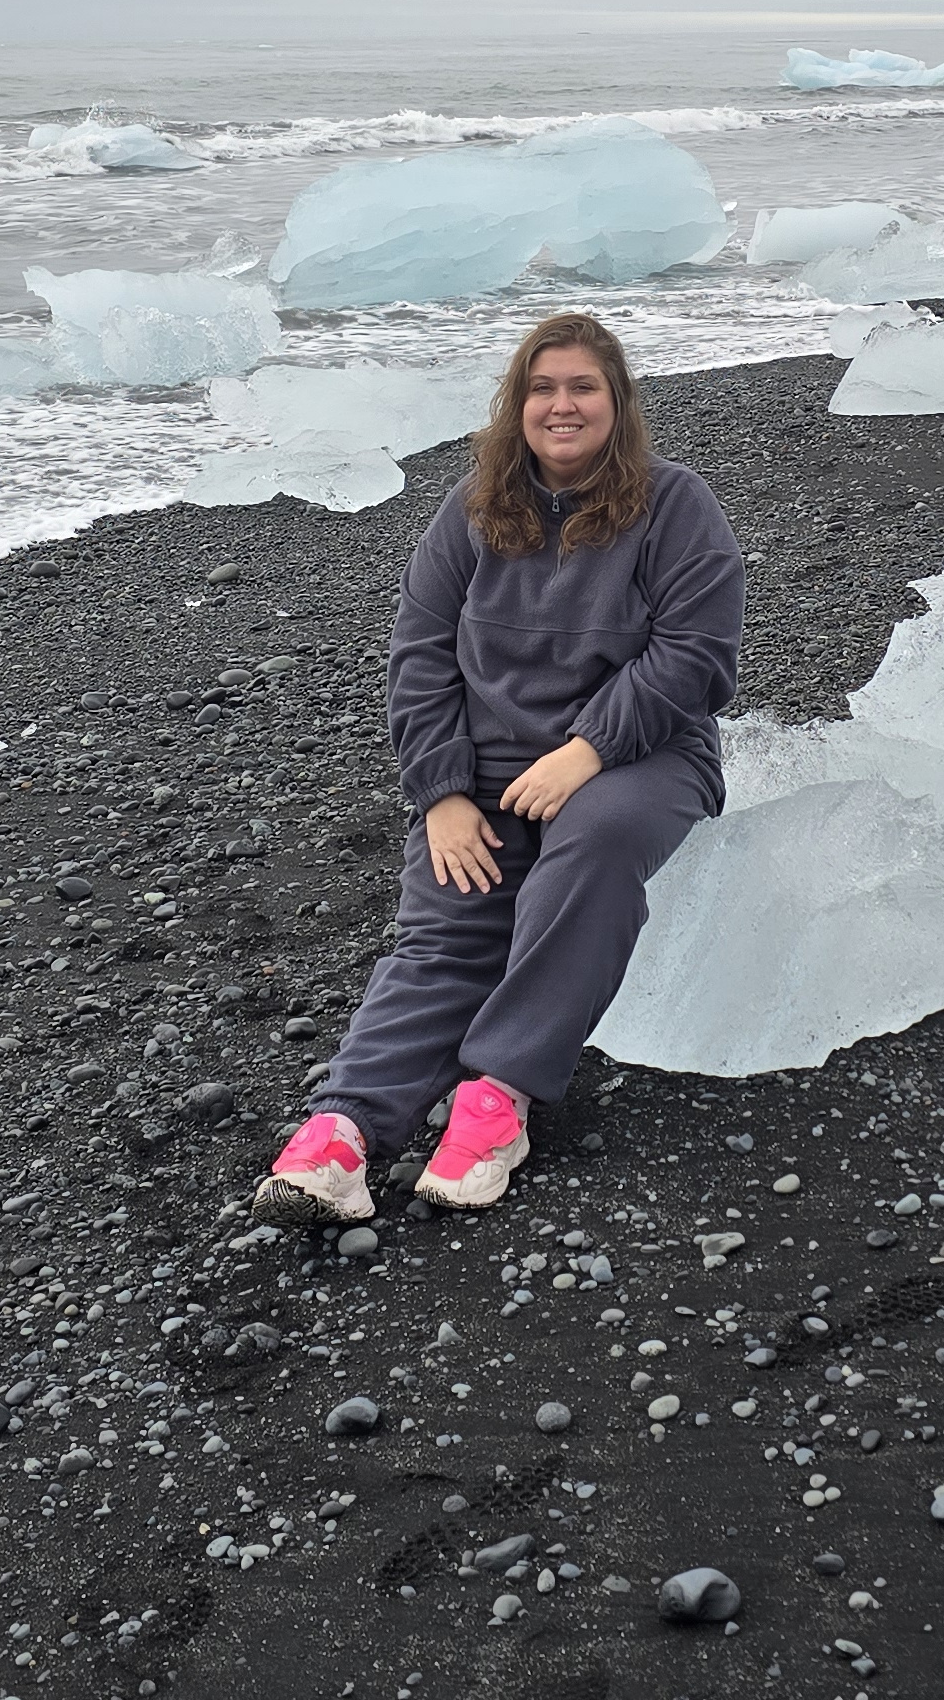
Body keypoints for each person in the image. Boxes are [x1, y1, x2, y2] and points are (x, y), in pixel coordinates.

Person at [254, 311, 744, 1224]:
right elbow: (419, 656)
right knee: (448, 933)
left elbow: (697, 658)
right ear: (517, 404)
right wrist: (439, 792)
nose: (562, 405)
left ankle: (500, 1096)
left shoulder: (677, 506)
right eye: (542, 388)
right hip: (487, 770)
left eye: (583, 387)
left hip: (640, 757)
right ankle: (346, 1129)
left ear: (618, 402)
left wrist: (587, 752)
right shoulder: (472, 512)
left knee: (591, 851)